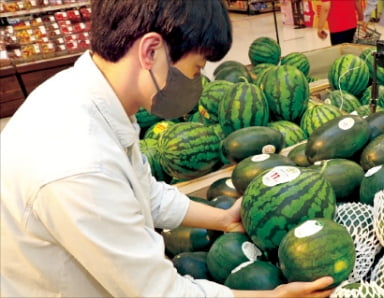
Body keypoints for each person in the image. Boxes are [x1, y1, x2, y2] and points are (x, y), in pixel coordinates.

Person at [0, 0, 334, 297]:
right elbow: (160, 293)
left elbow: (146, 193)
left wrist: (224, 219)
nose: (195, 84)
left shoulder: (90, 98)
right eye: (196, 70)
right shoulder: (80, 166)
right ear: (150, 51)